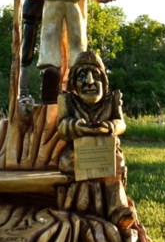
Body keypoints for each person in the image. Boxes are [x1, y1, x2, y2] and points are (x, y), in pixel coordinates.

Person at [56, 50, 137, 232]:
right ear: (74, 84)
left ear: (104, 80)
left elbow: (120, 123)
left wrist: (108, 127)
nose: (90, 82)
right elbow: (62, 125)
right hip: (78, 154)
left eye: (96, 75)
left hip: (106, 153)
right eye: (82, 76)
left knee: (113, 169)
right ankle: (80, 211)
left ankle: (118, 210)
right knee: (80, 172)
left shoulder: (112, 100)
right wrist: (78, 127)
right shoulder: (67, 100)